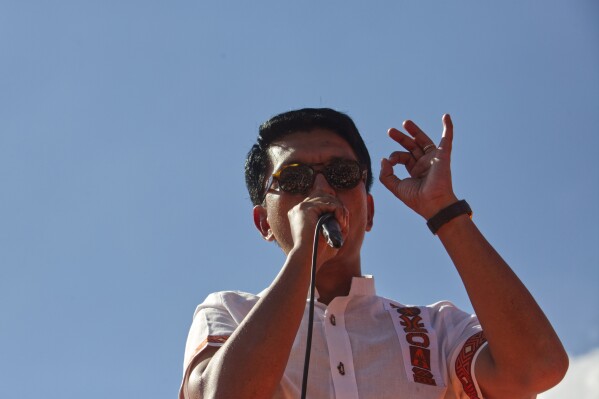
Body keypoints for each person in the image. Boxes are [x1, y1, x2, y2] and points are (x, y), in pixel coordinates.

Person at [179, 108, 568, 399]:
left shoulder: (436, 329)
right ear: (264, 223)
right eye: (293, 178)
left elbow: (537, 368)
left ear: (370, 211)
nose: (321, 188)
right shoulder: (229, 313)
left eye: (342, 174)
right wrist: (303, 256)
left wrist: (444, 210)